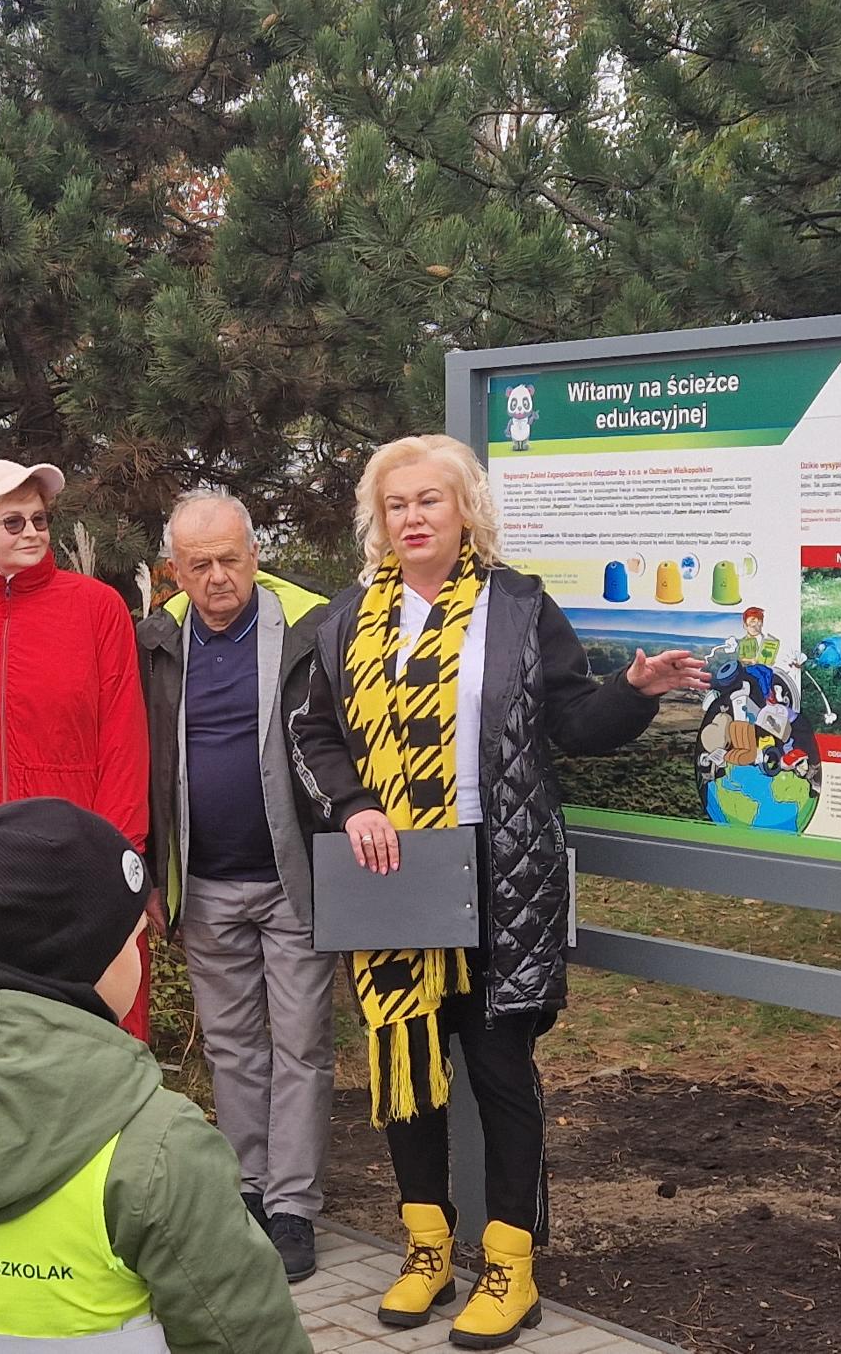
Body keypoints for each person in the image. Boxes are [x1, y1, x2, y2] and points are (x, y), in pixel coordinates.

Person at [291, 434, 707, 1349]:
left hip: (498, 871)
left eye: (429, 501)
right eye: (396, 504)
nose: (412, 518)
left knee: (498, 1068)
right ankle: (426, 1248)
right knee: (408, 1071)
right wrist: (354, 804)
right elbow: (311, 737)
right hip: (392, 866)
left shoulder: (516, 607)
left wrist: (632, 690)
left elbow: (574, 724)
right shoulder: (346, 617)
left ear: (465, 510)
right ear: (378, 519)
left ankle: (509, 1265)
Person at [0, 797, 310, 1354]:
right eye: (133, 937)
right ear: (94, 954)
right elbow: (246, 1338)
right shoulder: (162, 1146)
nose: (140, 952)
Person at [136, 490, 333, 1282]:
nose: (218, 577)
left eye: (231, 559)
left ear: (255, 553)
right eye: (199, 564)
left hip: (295, 879)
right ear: (173, 569)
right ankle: (246, 1191)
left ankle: (293, 1208)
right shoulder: (158, 638)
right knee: (233, 1047)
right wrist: (151, 873)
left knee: (303, 1045)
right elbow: (144, 759)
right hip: (205, 881)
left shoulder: (313, 626)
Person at [0, 459, 156, 1037]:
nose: (33, 533)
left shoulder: (97, 609)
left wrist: (123, 863)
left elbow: (123, 742)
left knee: (83, 1025)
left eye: (40, 519)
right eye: (12, 522)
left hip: (75, 850)